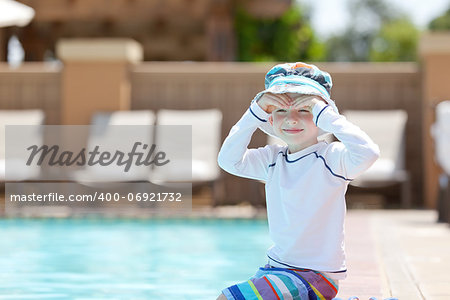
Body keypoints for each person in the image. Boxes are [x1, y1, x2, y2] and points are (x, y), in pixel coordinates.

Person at [216, 62, 380, 300]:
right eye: (280, 110)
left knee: (227, 298)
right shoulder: (272, 160)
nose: (291, 119)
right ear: (270, 120)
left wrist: (327, 115)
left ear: (321, 119)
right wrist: (254, 112)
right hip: (277, 268)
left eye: (305, 110)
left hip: (316, 276)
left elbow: (369, 153)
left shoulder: (331, 159)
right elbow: (228, 161)